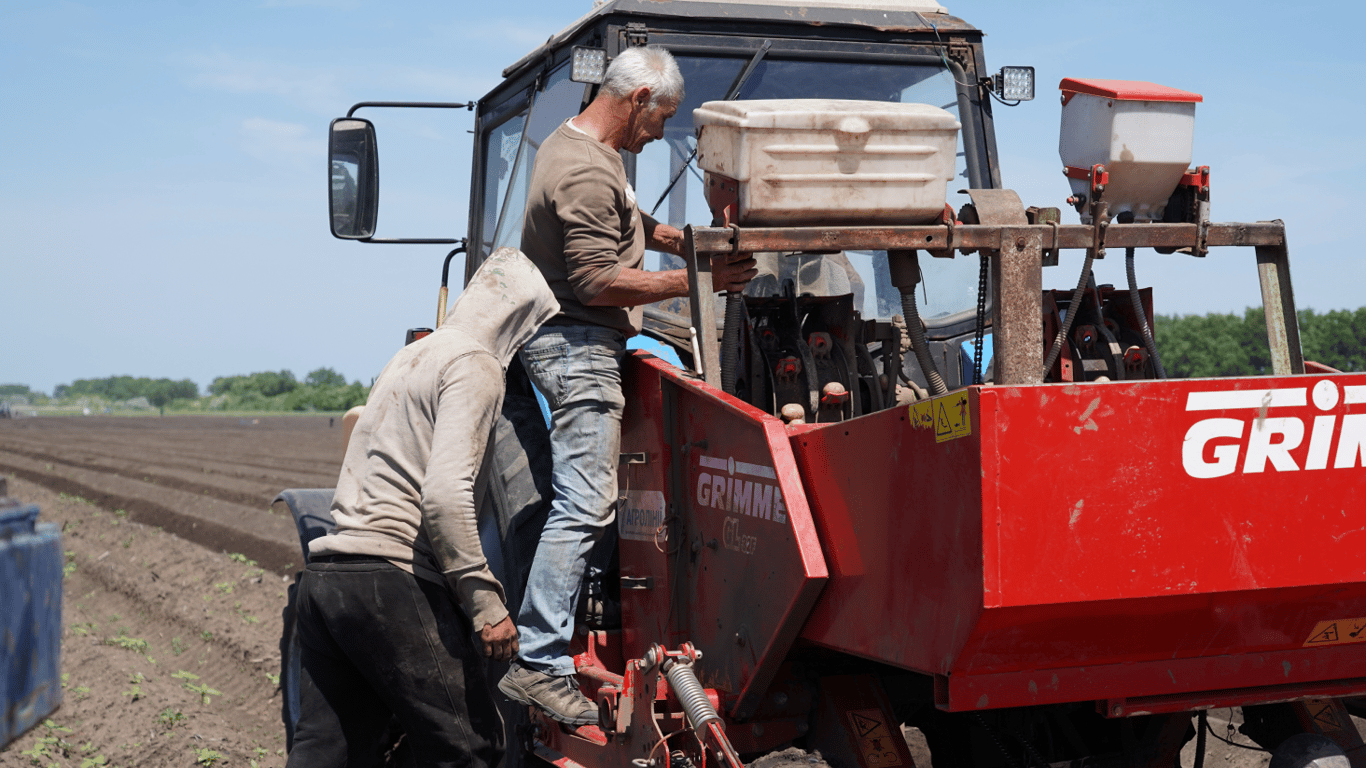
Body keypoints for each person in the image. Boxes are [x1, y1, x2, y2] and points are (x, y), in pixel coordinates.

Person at [498, 45, 757, 726]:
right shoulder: (584, 170)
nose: (655, 133)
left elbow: (632, 228)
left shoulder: (590, 153)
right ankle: (540, 661)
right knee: (585, 504)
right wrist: (697, 281)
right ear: (640, 99)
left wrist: (695, 245)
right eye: (659, 118)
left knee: (589, 502)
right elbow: (593, 280)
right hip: (577, 345)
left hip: (586, 338)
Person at [287, 247, 560, 767]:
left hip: (327, 579)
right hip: (390, 581)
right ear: (516, 321)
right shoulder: (477, 364)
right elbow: (443, 497)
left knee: (326, 751)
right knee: (470, 749)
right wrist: (485, 604)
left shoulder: (411, 355)